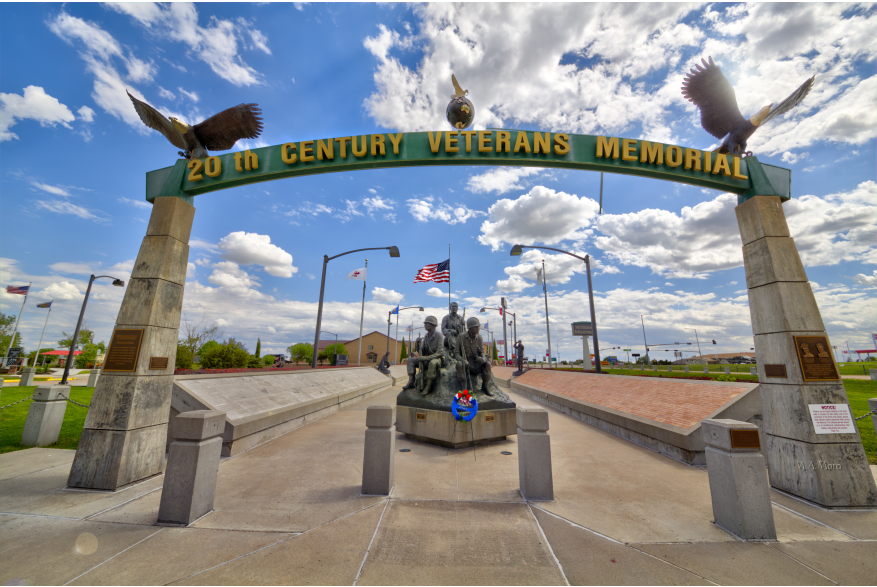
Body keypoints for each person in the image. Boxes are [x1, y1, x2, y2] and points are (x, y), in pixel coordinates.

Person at [403, 316, 444, 395]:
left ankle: (428, 387)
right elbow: (424, 351)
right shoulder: (426, 336)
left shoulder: (439, 336)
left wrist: (426, 358)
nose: (425, 325)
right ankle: (411, 381)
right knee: (410, 360)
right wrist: (418, 345)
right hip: (427, 360)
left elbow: (439, 353)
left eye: (426, 324)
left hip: (437, 360)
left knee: (432, 363)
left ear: (432, 325)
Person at [460, 316, 494, 396]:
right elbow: (456, 353)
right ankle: (463, 389)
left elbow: (482, 351)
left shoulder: (479, 338)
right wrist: (463, 360)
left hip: (476, 362)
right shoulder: (461, 337)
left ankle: (485, 386)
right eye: (476, 327)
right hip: (466, 363)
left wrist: (482, 358)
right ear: (470, 328)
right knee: (459, 365)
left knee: (487, 364)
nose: (478, 329)